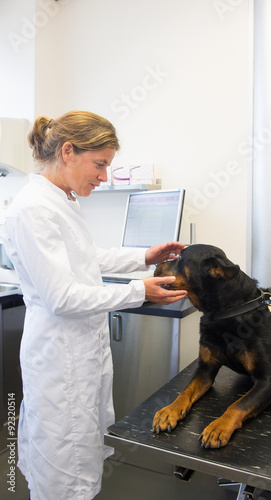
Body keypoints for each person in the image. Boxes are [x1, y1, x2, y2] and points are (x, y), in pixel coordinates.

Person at [3, 110, 187, 500]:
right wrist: (141, 292)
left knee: (81, 452)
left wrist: (145, 256)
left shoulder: (62, 200)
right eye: (100, 164)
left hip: (82, 352)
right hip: (60, 358)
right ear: (68, 151)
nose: (103, 176)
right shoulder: (34, 208)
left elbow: (88, 258)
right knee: (63, 467)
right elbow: (63, 297)